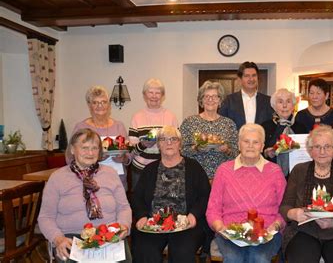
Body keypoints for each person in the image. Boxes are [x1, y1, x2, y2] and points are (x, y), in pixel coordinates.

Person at [38, 128, 132, 262]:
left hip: (108, 235)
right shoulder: (57, 178)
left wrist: (124, 226)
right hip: (71, 238)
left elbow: (124, 208)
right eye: (84, 148)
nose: (90, 152)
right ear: (72, 149)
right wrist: (58, 239)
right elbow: (45, 217)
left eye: (95, 148)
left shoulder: (110, 173)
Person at [280, 125, 333, 262]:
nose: (322, 151)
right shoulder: (299, 170)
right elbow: (285, 207)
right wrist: (292, 213)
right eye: (317, 147)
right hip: (303, 231)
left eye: (327, 146)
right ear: (310, 151)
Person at [206, 123, 286, 263]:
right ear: (238, 144)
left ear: (262, 146)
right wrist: (220, 228)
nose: (250, 146)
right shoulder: (224, 170)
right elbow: (213, 209)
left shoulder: (275, 171)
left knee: (258, 258)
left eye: (255, 142)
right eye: (246, 141)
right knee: (233, 259)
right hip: (231, 233)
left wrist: (276, 225)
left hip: (266, 232)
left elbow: (285, 208)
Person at [132, 126, 211, 263]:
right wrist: (142, 216)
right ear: (158, 145)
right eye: (163, 139)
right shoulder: (149, 170)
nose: (169, 143)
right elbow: (137, 196)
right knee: (145, 250)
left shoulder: (194, 167)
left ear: (180, 143)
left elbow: (205, 195)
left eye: (173, 139)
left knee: (182, 251)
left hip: (185, 224)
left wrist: (193, 215)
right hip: (154, 224)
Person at [72, 85, 130, 188]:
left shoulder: (119, 126)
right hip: (90, 182)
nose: (100, 105)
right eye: (95, 102)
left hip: (117, 181)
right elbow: (70, 157)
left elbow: (128, 156)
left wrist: (123, 158)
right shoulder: (81, 127)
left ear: (109, 105)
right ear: (89, 105)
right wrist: (96, 157)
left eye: (103, 102)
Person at [180, 80, 239, 178]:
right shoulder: (189, 122)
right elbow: (181, 150)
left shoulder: (229, 124)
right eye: (206, 96)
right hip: (195, 175)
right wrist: (196, 148)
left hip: (223, 175)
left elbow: (236, 153)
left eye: (214, 96)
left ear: (220, 100)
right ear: (201, 100)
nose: (210, 99)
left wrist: (227, 150)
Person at [129, 78, 178, 189]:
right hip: (141, 169)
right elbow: (132, 149)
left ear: (163, 96)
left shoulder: (171, 117)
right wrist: (144, 144)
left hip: (166, 169)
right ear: (144, 95)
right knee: (140, 204)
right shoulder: (137, 117)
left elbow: (177, 144)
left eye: (158, 93)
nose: (154, 96)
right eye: (150, 92)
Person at [262, 88, 306, 177]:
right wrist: (266, 152)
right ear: (274, 106)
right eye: (280, 102)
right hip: (271, 175)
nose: (284, 105)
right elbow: (258, 152)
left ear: (293, 105)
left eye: (288, 101)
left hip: (297, 175)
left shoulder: (301, 128)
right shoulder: (265, 127)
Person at [219, 61, 274, 129]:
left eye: (254, 75)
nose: (251, 79)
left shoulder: (268, 101)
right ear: (240, 79)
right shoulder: (229, 101)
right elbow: (222, 124)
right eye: (247, 76)